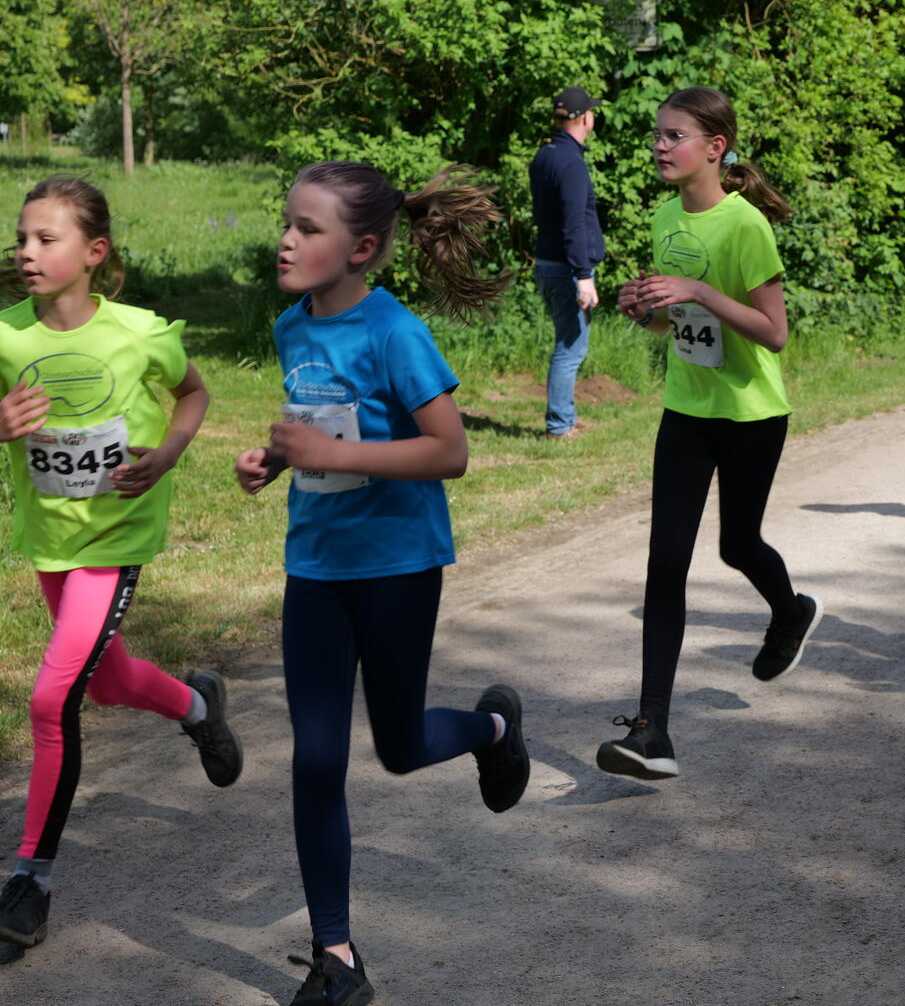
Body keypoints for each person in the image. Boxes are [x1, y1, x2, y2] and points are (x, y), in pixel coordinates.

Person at [233, 160, 530, 1005]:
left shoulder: (395, 332)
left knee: (399, 749)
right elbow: (316, 434)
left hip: (398, 567)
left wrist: (334, 452)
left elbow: (449, 451)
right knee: (317, 758)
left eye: (308, 229)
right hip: (315, 569)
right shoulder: (292, 327)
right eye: (287, 223)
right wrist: (275, 460)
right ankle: (337, 957)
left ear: (360, 248)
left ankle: (494, 729)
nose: (287, 240)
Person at [0, 176, 241, 960]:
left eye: (46, 239)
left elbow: (193, 394)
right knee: (105, 682)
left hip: (115, 536)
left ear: (94, 253)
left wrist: (167, 454)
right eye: (22, 237)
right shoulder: (6, 336)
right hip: (52, 539)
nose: (27, 251)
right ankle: (197, 706)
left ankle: (30, 882)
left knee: (51, 699)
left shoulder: (138, 334)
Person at [601, 87, 821, 781]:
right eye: (657, 135)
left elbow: (774, 333)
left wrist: (698, 291)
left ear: (715, 148)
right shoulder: (665, 216)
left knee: (737, 545)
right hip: (687, 408)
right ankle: (651, 731)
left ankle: (791, 611)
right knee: (665, 562)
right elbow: (674, 323)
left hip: (752, 413)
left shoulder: (745, 226)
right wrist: (645, 310)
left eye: (675, 136)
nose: (660, 146)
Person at [530, 86, 606, 438]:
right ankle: (560, 424)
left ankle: (566, 416)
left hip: (548, 263)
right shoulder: (571, 163)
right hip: (567, 269)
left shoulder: (545, 155)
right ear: (585, 118)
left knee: (568, 343)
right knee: (571, 348)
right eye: (592, 111)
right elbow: (573, 223)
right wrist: (583, 276)